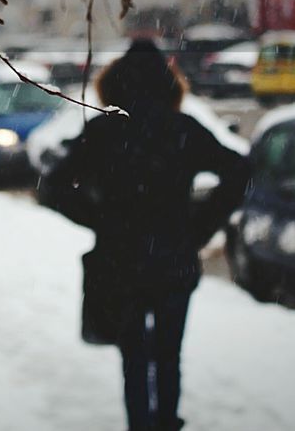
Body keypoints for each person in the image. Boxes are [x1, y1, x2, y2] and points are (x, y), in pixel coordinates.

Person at [43, 40, 251, 431]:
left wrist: (101, 220)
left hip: (121, 263)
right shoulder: (182, 129)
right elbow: (239, 171)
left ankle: (140, 424)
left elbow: (53, 186)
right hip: (174, 258)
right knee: (169, 355)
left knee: (134, 357)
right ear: (168, 83)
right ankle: (167, 422)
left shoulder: (103, 131)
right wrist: (199, 227)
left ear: (116, 83)